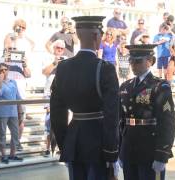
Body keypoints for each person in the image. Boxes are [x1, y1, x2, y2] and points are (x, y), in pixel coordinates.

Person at [50, 16, 120, 180]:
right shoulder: (105, 68)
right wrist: (112, 152)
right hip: (99, 141)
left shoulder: (63, 68)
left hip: (74, 139)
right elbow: (111, 114)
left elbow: (57, 111)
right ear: (97, 36)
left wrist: (65, 144)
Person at [119, 44, 175, 180]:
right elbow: (120, 121)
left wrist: (162, 153)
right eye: (131, 61)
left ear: (150, 61)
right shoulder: (125, 86)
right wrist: (120, 150)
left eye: (138, 61)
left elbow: (167, 122)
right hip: (129, 149)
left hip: (149, 149)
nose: (133, 65)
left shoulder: (159, 86)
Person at [3, 19, 33, 149]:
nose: (20, 29)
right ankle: (5, 143)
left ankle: (17, 141)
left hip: (20, 89)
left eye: (22, 27)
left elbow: (28, 73)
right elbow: (7, 46)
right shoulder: (9, 37)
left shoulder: (25, 42)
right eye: (18, 27)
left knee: (21, 118)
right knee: (5, 118)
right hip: (6, 92)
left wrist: (24, 62)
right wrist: (13, 38)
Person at [0, 63, 23, 164]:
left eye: (6, 69)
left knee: (15, 133)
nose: (4, 71)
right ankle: (3, 155)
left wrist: (20, 111)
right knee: (2, 134)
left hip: (13, 111)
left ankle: (12, 154)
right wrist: (0, 81)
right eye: (1, 70)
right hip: (0, 112)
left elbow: (18, 97)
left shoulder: (13, 81)